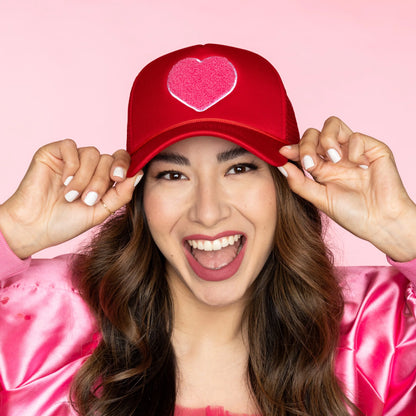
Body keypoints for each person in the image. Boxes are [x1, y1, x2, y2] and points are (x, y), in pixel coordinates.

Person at [0, 44, 415, 416]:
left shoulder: (378, 326)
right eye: (173, 175)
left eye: (239, 168)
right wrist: (11, 229)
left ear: (285, 183)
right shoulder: (43, 319)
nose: (208, 212)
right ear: (137, 194)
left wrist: (404, 229)